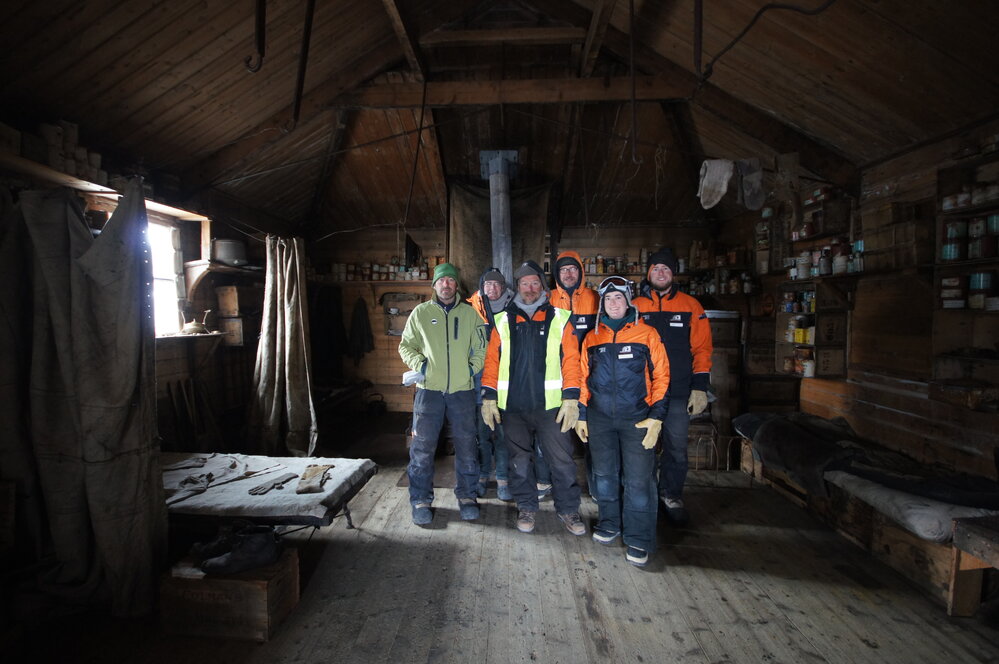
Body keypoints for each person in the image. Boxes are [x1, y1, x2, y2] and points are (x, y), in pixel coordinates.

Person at [480, 260, 586, 536]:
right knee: (519, 461)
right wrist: (489, 397)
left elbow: (572, 361)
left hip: (551, 408)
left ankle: (568, 509)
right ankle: (526, 506)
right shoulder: (503, 320)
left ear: (542, 287)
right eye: (524, 283)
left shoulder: (560, 318)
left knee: (561, 461)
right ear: (517, 288)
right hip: (513, 408)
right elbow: (492, 362)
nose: (529, 288)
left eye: (534, 283)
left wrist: (572, 398)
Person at [576, 276, 670, 567]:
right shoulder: (593, 338)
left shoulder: (647, 334)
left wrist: (656, 416)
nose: (613, 304)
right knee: (603, 476)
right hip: (600, 417)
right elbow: (582, 377)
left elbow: (662, 376)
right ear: (602, 305)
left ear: (628, 300)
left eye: (618, 298)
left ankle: (639, 538)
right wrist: (581, 413)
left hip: (637, 419)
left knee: (638, 480)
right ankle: (609, 523)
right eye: (608, 299)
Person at [399, 262, 488, 525]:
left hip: (462, 391)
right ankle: (420, 500)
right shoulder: (421, 313)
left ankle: (468, 497)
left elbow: (481, 348)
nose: (446, 285)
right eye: (442, 281)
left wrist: (469, 369)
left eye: (450, 280)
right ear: (434, 285)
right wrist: (422, 366)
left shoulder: (471, 314)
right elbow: (406, 346)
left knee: (467, 447)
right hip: (429, 391)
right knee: (422, 448)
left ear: (456, 285)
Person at [633, 248, 713, 525]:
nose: (660, 273)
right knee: (642, 446)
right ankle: (644, 494)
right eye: (656, 268)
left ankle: (671, 495)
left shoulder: (691, 306)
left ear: (673, 273)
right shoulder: (635, 306)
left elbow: (702, 348)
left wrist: (700, 386)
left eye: (665, 269)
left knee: (676, 447)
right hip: (644, 392)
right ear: (648, 273)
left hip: (678, 391)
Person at [549, 249, 601, 500]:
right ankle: (556, 486)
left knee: (593, 438)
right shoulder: (547, 299)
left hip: (593, 379)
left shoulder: (596, 298)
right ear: (556, 274)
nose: (568, 274)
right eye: (563, 270)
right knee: (557, 438)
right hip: (558, 379)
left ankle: (597, 489)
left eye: (573, 269)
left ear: (580, 272)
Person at [467, 267, 514, 501]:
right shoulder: (470, 309)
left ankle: (504, 478)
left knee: (504, 436)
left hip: (506, 385)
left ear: (503, 287)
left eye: (497, 285)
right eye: (488, 285)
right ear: (481, 287)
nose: (492, 289)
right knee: (482, 434)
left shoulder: (514, 308)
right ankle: (483, 475)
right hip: (478, 385)